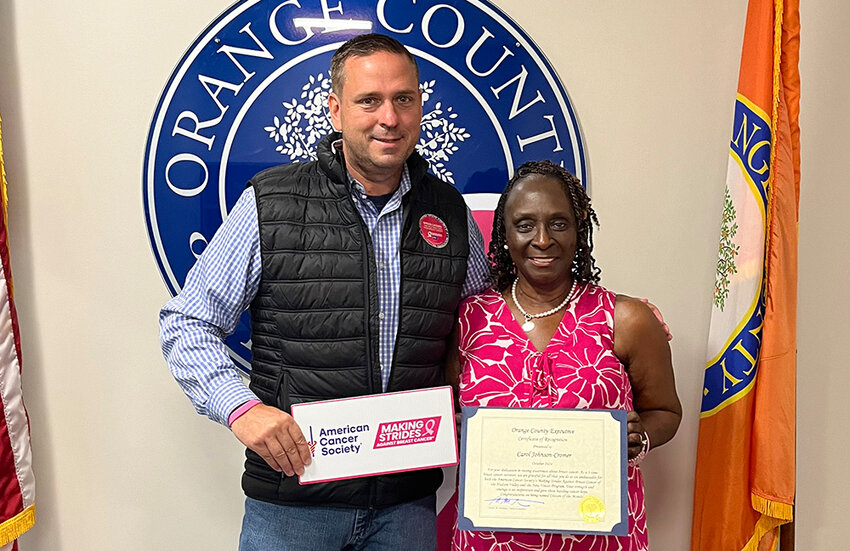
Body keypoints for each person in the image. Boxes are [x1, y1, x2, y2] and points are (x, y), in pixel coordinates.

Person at [159, 33, 491, 550]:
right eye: (369, 101)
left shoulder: (449, 211)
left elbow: (488, 335)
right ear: (336, 111)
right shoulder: (272, 202)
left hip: (406, 507)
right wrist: (241, 409)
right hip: (293, 506)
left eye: (404, 99)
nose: (390, 117)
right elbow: (187, 323)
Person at [447, 161, 682, 551]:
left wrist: (642, 438)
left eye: (558, 223)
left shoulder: (625, 319)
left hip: (599, 537)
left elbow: (666, 412)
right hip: (491, 539)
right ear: (504, 235)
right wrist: (456, 431)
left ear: (579, 232)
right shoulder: (470, 319)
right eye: (524, 225)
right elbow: (446, 410)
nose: (542, 240)